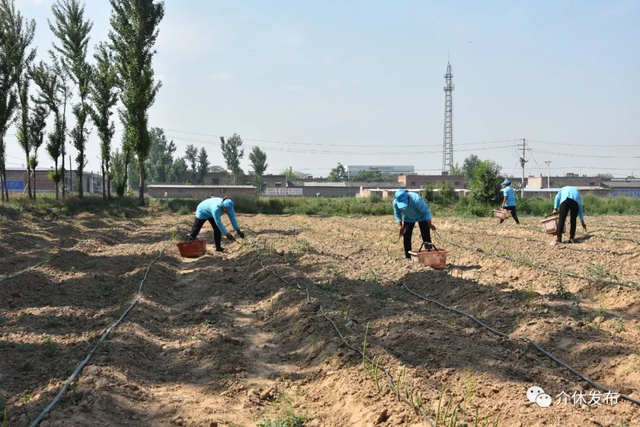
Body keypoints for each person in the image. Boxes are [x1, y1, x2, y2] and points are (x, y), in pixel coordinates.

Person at [393, 189, 436, 259]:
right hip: (409, 218)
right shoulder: (395, 203)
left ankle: (429, 255)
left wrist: (430, 225)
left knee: (426, 236)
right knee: (406, 237)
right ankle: (408, 256)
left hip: (422, 217)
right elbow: (397, 214)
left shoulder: (416, 200)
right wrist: (400, 226)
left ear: (407, 197)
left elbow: (426, 212)